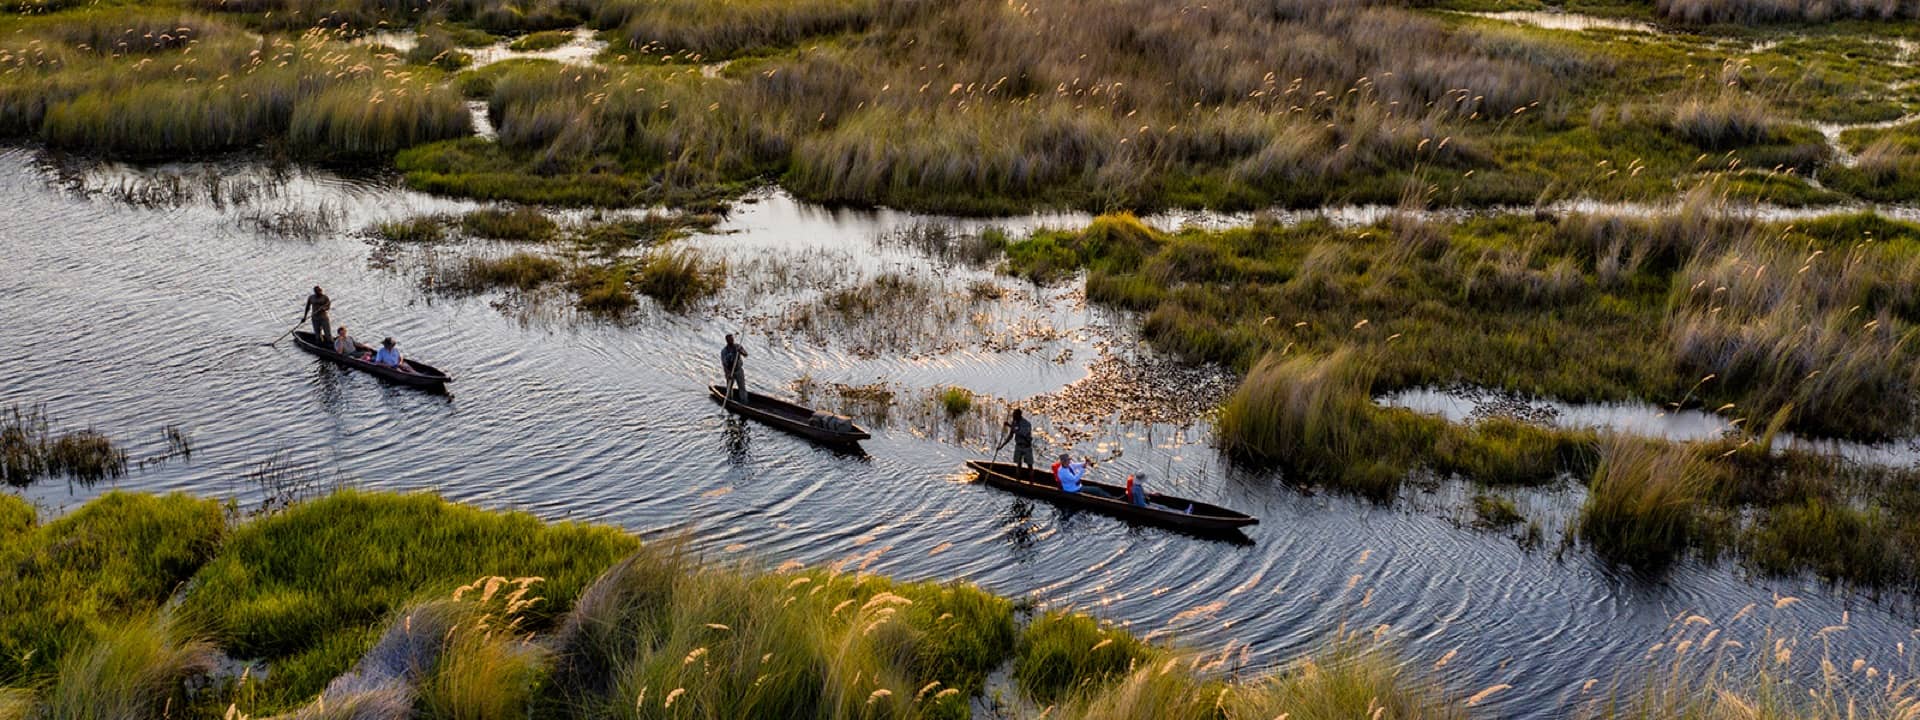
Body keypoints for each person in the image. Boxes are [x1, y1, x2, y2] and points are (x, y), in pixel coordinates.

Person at [996, 408, 1034, 474]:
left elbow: (1022, 433)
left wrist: (1010, 426)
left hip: (1026, 446)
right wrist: (1001, 446)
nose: (1013, 417)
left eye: (1014, 415)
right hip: (1018, 446)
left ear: (1019, 415)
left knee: (1029, 464)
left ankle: (1031, 479)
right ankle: (1017, 478)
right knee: (1018, 464)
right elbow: (1010, 436)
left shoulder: (1026, 423)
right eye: (1013, 415)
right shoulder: (1014, 423)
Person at [721, 334, 748, 402]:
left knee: (742, 387)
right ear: (727, 341)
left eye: (732, 339)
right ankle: (729, 400)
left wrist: (741, 351)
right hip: (730, 371)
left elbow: (746, 354)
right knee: (729, 387)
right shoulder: (724, 351)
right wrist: (728, 374)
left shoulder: (738, 346)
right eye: (730, 339)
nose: (732, 340)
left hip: (739, 370)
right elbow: (724, 364)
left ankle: (744, 401)